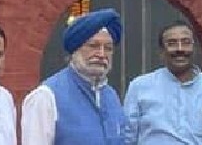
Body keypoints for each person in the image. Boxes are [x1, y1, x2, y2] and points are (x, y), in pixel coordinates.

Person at [22, 8, 126, 145]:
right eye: (93, 46)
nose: (101, 54)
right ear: (75, 49)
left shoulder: (111, 95)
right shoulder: (46, 97)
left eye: (108, 48)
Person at [124, 20, 202, 144]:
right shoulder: (140, 87)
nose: (180, 49)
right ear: (161, 52)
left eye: (186, 43)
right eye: (172, 43)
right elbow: (128, 138)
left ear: (194, 48)